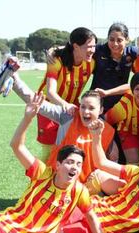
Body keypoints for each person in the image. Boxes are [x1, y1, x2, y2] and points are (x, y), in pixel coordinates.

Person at [0, 93, 102, 233]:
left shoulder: (79, 191)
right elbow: (16, 146)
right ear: (58, 165)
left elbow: (91, 217)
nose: (74, 167)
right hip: (8, 225)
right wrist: (27, 118)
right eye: (70, 162)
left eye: (78, 164)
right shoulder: (42, 173)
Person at [11, 70, 116, 183]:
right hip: (55, 181)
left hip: (84, 187)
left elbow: (112, 161)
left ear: (100, 110)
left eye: (91, 108)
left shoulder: (107, 130)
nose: (85, 111)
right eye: (83, 107)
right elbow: (39, 104)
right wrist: (15, 81)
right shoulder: (70, 116)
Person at [37, 27, 97, 159]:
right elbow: (51, 92)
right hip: (48, 106)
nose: (93, 50)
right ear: (76, 46)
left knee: (70, 149)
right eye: (89, 46)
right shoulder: (56, 60)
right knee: (49, 152)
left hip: (71, 108)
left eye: (94, 46)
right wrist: (65, 104)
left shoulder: (91, 61)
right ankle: (44, 178)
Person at [90, 22, 138, 113]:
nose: (115, 44)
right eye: (111, 39)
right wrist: (55, 52)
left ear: (127, 40)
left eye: (119, 40)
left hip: (119, 106)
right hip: (96, 103)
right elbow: (78, 48)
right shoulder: (99, 50)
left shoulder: (132, 53)